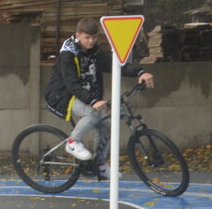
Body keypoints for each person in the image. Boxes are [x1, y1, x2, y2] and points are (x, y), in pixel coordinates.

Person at [45, 17, 154, 175]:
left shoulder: (95, 52)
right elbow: (72, 84)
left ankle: (99, 164)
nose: (91, 41)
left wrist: (140, 72)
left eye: (94, 37)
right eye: (87, 37)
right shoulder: (68, 54)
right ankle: (72, 142)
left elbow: (116, 65)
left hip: (84, 94)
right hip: (62, 95)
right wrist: (93, 101)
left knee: (107, 125)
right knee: (92, 112)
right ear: (78, 35)